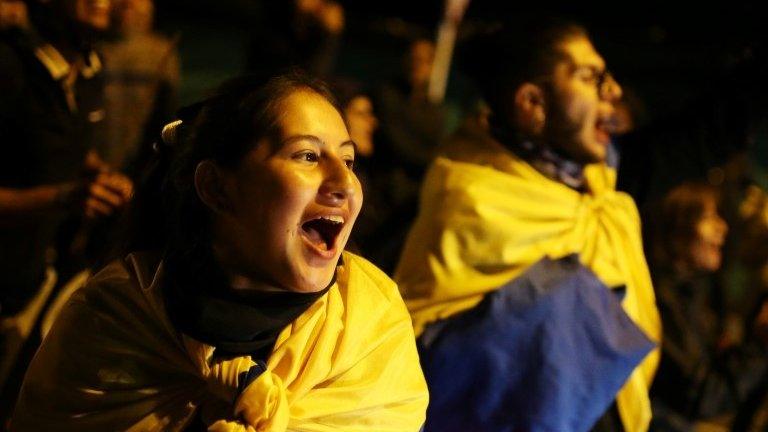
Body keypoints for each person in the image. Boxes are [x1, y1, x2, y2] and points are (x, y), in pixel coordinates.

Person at [11, 71, 429, 431]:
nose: (344, 183)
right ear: (216, 187)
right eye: (306, 155)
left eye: (349, 160)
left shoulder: (370, 327)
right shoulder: (114, 318)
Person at [395, 20, 661, 431]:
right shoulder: (470, 194)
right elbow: (427, 354)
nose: (614, 91)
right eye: (590, 77)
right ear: (532, 103)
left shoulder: (603, 199)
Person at [0, 0, 132, 393]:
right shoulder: (9, 67)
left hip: (31, 275)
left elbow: (67, 144)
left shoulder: (90, 68)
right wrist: (64, 198)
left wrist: (99, 174)